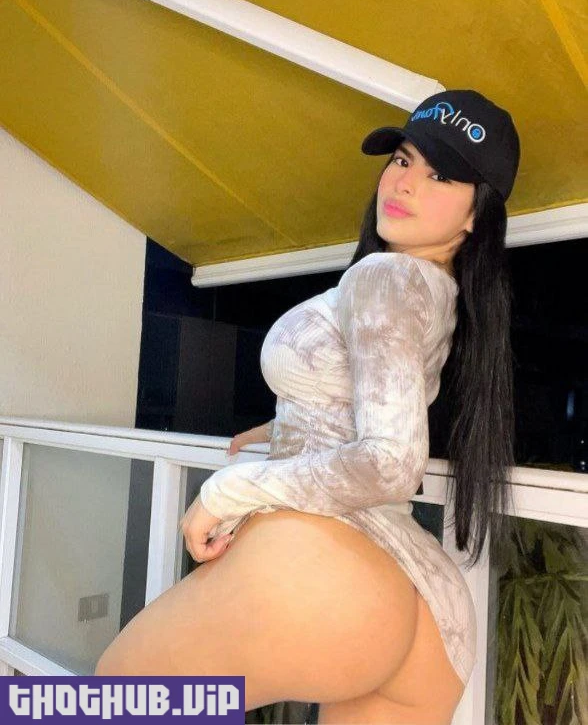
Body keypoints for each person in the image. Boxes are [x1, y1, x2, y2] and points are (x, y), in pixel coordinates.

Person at [95, 89, 521, 725]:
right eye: (403, 160)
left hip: (328, 567)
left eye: (440, 176)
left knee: (109, 701)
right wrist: (285, 425)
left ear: (474, 217)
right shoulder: (437, 288)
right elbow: (375, 397)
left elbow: (391, 461)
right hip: (423, 599)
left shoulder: (383, 277)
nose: (405, 183)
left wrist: (232, 488)